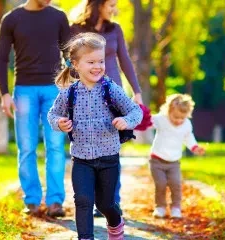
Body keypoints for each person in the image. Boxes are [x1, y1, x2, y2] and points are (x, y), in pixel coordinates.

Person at [48, 32, 143, 240]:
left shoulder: (110, 89)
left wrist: (126, 121)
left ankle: (116, 224)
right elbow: (53, 114)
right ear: (75, 64)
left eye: (101, 61)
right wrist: (60, 123)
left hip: (108, 158)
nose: (98, 66)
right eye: (91, 62)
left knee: (105, 204)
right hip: (81, 159)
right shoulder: (69, 93)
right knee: (82, 200)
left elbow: (135, 111)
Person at [0, 0, 69, 217]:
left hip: (54, 91)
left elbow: (70, 55)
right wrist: (4, 94)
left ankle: (55, 202)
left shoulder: (58, 17)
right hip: (24, 91)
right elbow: (0, 60)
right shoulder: (12, 19)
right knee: (26, 148)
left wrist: (72, 85)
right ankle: (32, 201)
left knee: (55, 146)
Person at [69, 0, 143, 216]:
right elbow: (70, 61)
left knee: (111, 149)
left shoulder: (115, 29)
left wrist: (136, 91)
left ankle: (111, 202)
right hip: (86, 96)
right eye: (111, 4)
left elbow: (125, 60)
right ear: (98, 4)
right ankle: (92, 200)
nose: (114, 9)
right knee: (88, 149)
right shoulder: (77, 29)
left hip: (112, 96)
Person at [148, 94, 205, 219]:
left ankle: (176, 207)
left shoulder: (187, 124)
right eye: (176, 117)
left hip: (174, 162)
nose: (179, 120)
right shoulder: (161, 119)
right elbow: (147, 122)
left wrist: (195, 147)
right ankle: (160, 207)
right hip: (157, 160)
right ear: (169, 110)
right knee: (161, 184)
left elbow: (189, 138)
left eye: (182, 118)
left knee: (176, 184)